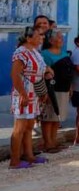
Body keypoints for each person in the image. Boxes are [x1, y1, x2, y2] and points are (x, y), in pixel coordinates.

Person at [8, 27, 49, 169]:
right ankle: (14, 161)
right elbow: (15, 75)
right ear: (28, 38)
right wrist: (23, 94)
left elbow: (41, 69)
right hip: (24, 92)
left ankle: (29, 155)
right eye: (38, 35)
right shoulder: (20, 53)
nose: (41, 37)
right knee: (19, 127)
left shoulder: (35, 52)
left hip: (34, 91)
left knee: (29, 125)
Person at [41, 29, 72, 153]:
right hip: (52, 88)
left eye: (61, 37)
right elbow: (43, 73)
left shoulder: (64, 53)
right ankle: (47, 143)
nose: (61, 40)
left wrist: (70, 87)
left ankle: (53, 141)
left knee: (56, 118)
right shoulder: (45, 54)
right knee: (48, 118)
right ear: (51, 40)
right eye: (58, 37)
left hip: (64, 88)